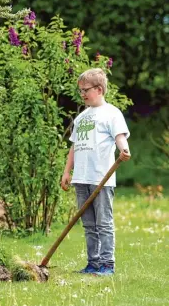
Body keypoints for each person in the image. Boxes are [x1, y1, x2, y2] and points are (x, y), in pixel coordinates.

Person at [60, 68, 131, 276]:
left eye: (85, 90)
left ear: (99, 89)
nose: (82, 94)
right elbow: (73, 147)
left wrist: (123, 148)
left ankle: (108, 265)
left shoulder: (111, 113)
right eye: (80, 90)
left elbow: (119, 135)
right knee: (89, 225)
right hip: (81, 179)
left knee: (103, 223)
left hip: (101, 178)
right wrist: (67, 172)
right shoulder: (81, 118)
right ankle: (93, 263)